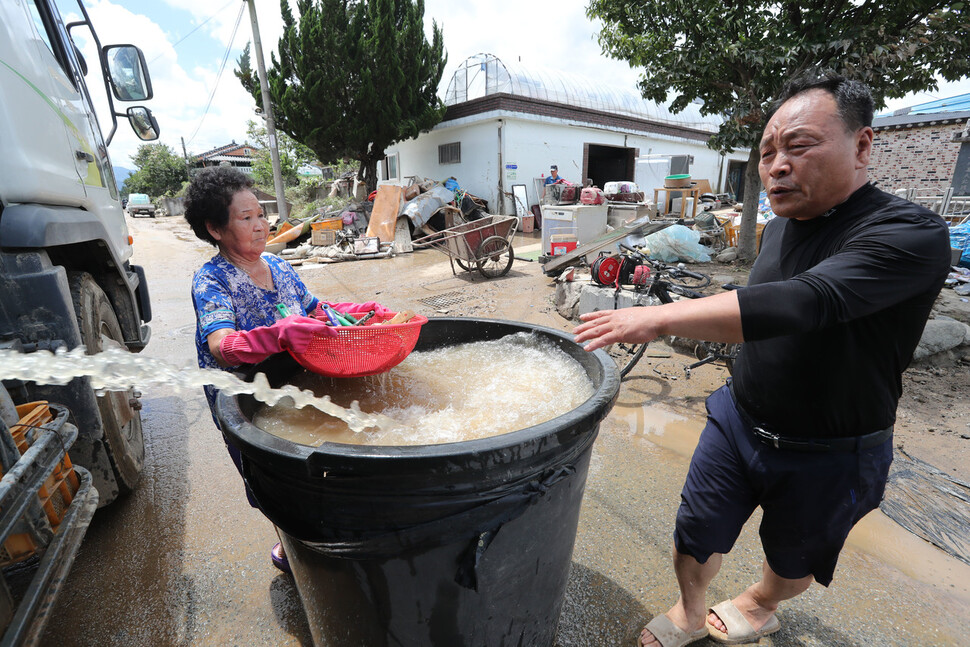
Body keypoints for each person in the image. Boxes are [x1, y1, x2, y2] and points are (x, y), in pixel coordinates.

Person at [574, 71, 951, 647]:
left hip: (834, 446)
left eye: (798, 146)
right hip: (739, 417)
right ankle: (691, 609)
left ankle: (761, 601)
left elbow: (810, 302)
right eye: (767, 152)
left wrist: (653, 317)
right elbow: (756, 309)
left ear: (863, 144)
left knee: (795, 557)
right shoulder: (779, 227)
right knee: (695, 530)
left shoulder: (910, 233)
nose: (776, 165)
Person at [185, 166, 387, 574]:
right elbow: (221, 347)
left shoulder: (278, 267)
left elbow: (316, 311)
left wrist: (356, 313)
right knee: (271, 480)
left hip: (296, 387)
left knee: (316, 464)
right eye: (246, 218)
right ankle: (289, 544)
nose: (261, 226)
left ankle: (326, 536)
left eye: (261, 214)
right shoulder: (211, 281)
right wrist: (277, 335)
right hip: (249, 402)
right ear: (215, 229)